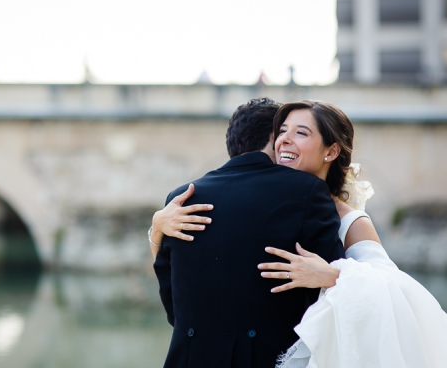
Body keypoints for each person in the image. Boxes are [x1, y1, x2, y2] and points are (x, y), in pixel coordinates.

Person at [151, 100, 447, 367]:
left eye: (301, 133)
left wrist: (335, 276)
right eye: (282, 131)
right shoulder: (297, 195)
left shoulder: (349, 218)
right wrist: (156, 229)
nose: (285, 140)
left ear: (331, 150)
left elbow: (394, 291)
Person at [152, 98, 345, 368]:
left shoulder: (180, 198)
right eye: (282, 131)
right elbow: (329, 300)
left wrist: (154, 231)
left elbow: (174, 304)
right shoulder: (306, 191)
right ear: (271, 136)